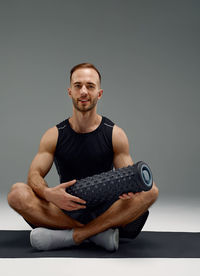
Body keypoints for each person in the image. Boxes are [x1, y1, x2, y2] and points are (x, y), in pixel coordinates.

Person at [7, 63, 159, 251]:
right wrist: (49, 194)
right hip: (64, 209)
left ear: (99, 93)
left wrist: (131, 190)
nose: (84, 91)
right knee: (17, 193)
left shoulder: (115, 134)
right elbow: (34, 175)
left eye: (90, 86)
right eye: (78, 86)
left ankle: (76, 236)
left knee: (150, 190)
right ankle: (97, 235)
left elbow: (129, 176)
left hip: (107, 210)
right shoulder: (54, 134)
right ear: (70, 92)